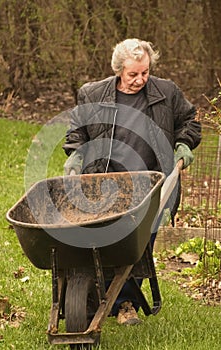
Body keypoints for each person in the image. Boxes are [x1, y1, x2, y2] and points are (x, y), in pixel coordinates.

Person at [62, 38, 201, 325]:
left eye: (145, 72)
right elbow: (77, 131)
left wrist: (184, 144)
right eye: (133, 74)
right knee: (103, 243)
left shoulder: (167, 92)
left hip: (150, 185)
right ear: (118, 71)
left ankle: (125, 303)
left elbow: (189, 121)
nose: (141, 79)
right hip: (104, 183)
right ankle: (95, 297)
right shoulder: (92, 94)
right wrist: (76, 155)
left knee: (136, 247)